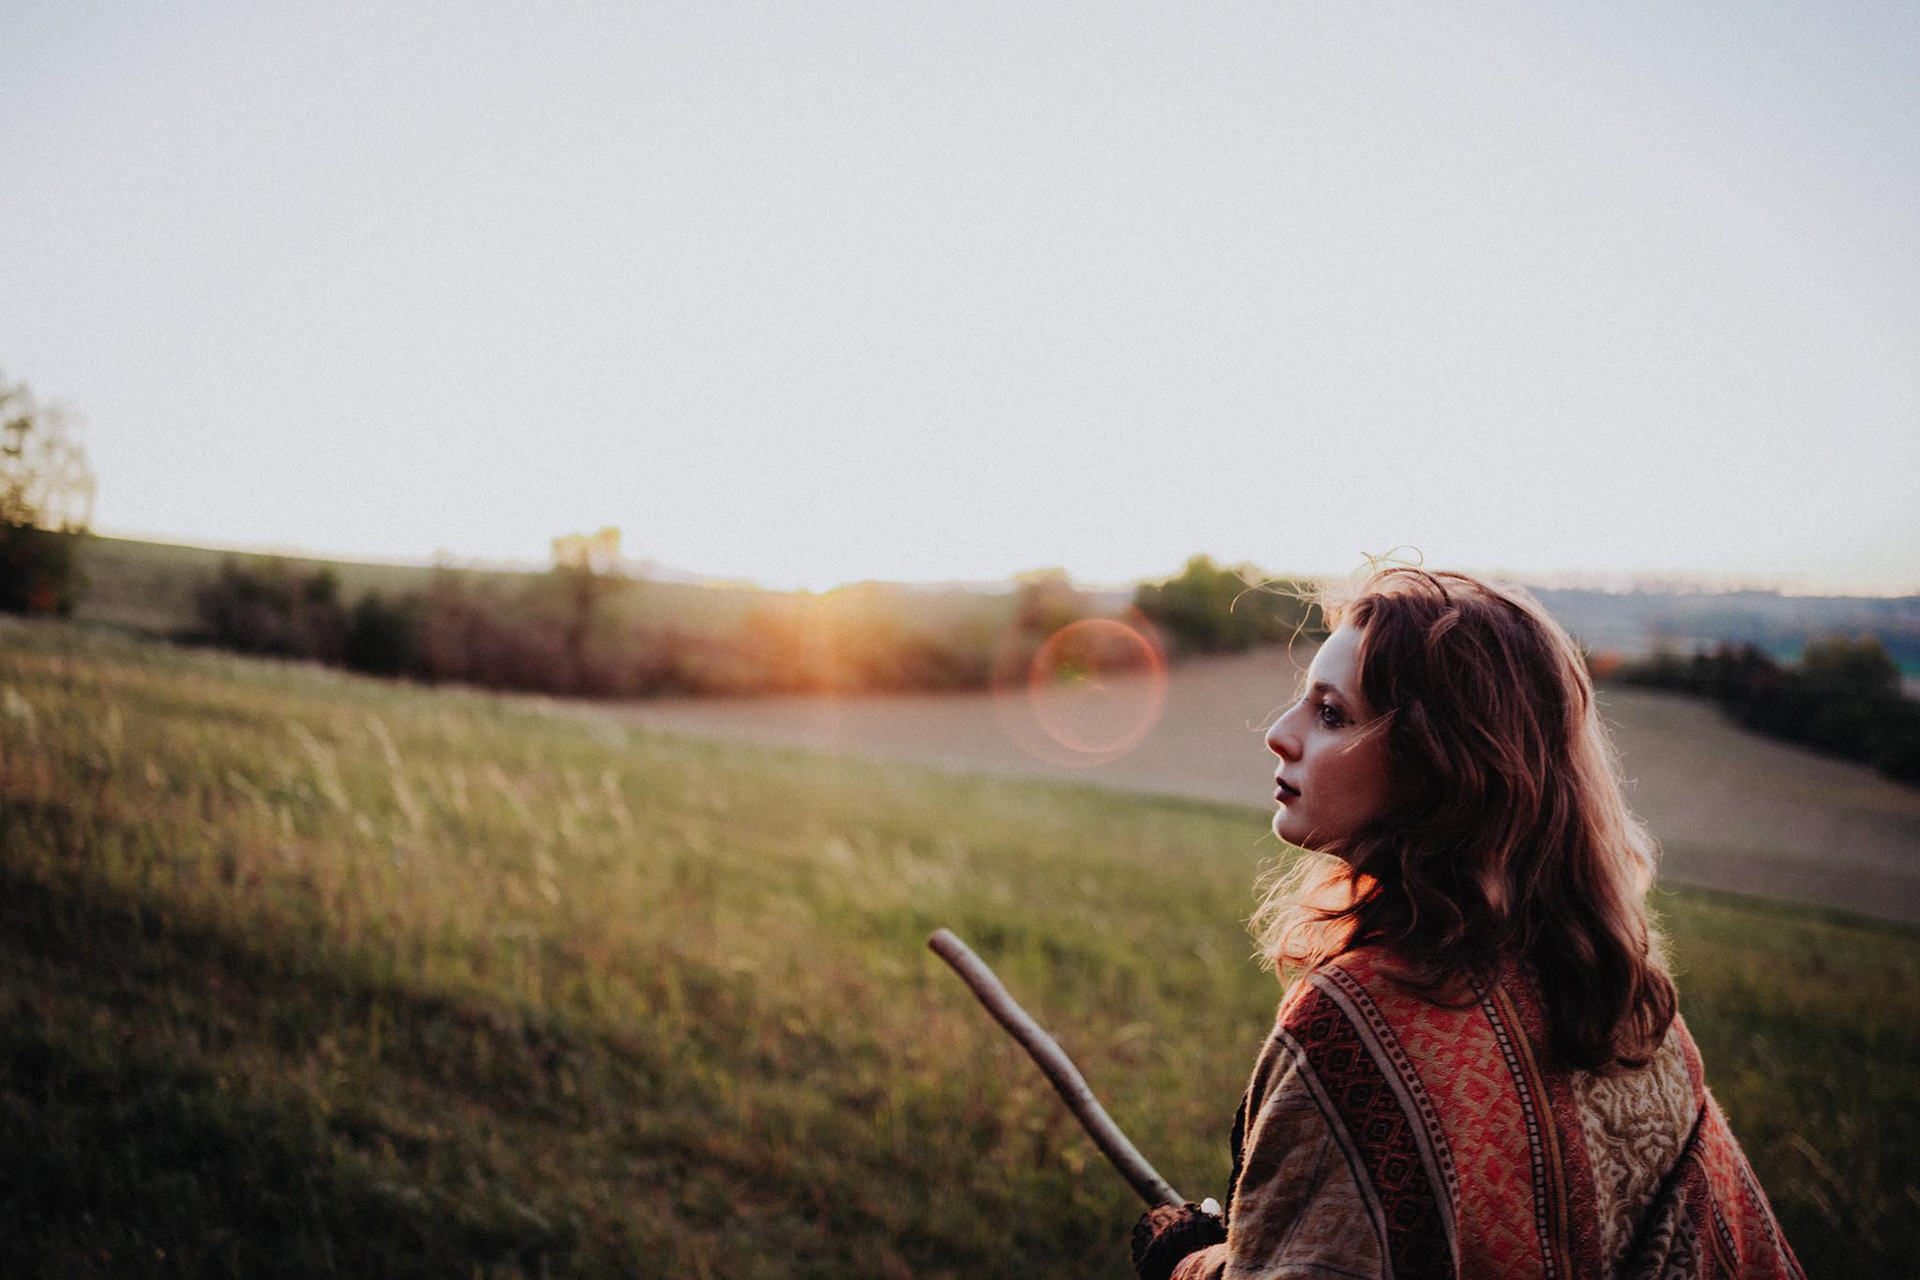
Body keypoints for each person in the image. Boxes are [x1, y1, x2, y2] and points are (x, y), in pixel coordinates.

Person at [1130, 567, 1803, 1280]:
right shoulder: (1631, 1005)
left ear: (1438, 762)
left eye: (1330, 714)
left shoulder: (1356, 1026)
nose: (1278, 735)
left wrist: (1185, 1262)